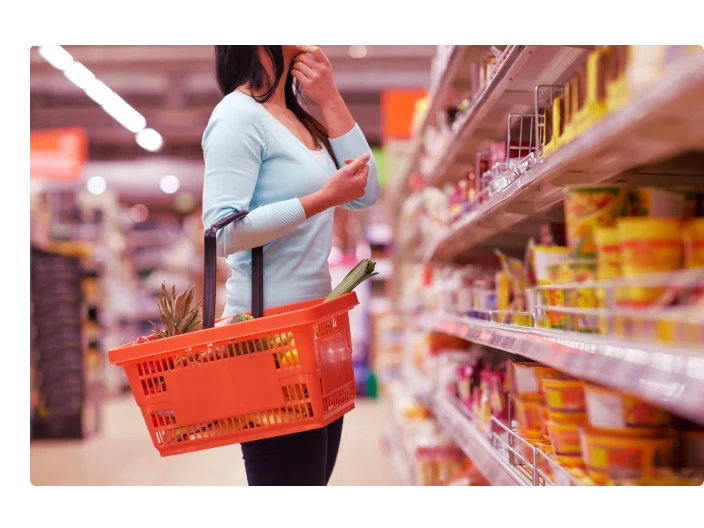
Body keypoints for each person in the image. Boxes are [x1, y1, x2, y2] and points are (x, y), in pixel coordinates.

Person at [201, 43, 380, 487]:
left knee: (311, 481)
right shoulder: (237, 116)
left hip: (315, 331)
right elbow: (221, 232)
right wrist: (323, 199)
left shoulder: (301, 118)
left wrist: (330, 98)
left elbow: (365, 190)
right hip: (267, 340)